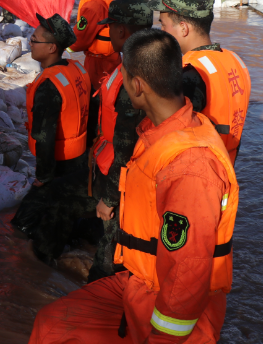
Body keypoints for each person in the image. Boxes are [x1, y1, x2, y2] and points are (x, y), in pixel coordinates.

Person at [28, 29, 239, 344]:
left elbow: (187, 273)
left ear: (137, 86)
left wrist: (163, 338)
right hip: (140, 279)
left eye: (123, 77)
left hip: (173, 307)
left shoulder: (190, 167)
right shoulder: (161, 132)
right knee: (52, 325)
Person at [11, 14, 93, 264]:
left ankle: (35, 265)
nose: (29, 43)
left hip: (58, 163)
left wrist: (43, 177)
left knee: (22, 223)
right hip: (78, 157)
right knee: (65, 211)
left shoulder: (49, 85)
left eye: (34, 40)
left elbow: (44, 136)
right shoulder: (76, 68)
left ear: (51, 48)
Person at [86, 0, 152, 283]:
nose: (107, 33)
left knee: (109, 255)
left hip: (120, 179)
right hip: (112, 169)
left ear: (122, 31)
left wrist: (109, 198)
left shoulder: (133, 79)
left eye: (110, 28)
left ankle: (102, 303)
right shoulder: (136, 64)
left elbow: (125, 147)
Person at [153, 0, 252, 164]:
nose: (161, 31)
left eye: (163, 24)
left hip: (198, 173)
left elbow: (171, 135)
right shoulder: (235, 60)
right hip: (226, 166)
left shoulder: (191, 73)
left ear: (184, 28)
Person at [68, 0, 122, 149]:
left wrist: (57, 43)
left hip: (98, 65)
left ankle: (94, 145)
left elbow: (78, 42)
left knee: (96, 104)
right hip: (116, 59)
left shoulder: (94, 5)